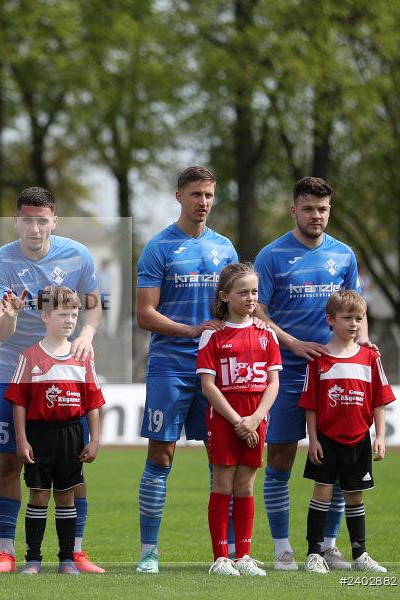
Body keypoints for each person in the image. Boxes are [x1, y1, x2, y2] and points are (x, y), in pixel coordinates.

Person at [0, 187, 104, 573]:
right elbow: (1, 332)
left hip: (67, 371)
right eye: (27, 220)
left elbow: (93, 307)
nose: (34, 228)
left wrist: (86, 336)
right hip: (16, 373)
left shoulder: (77, 255)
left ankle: (76, 551)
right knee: (8, 462)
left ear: (54, 221)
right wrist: (13, 314)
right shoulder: (1, 261)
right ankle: (6, 550)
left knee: (74, 466)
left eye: (42, 220)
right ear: (16, 221)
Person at [254, 177, 368, 570]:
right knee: (281, 457)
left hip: (335, 374)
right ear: (294, 211)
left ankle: (328, 544)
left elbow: (357, 308)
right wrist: (291, 343)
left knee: (337, 460)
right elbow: (258, 311)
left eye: (322, 209)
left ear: (329, 210)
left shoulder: (345, 255)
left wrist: (363, 348)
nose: (315, 215)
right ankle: (282, 547)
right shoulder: (271, 256)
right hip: (285, 370)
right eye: (308, 209)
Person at [134, 166, 238, 574]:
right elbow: (145, 314)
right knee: (161, 456)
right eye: (196, 194)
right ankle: (148, 552)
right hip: (170, 365)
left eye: (209, 194)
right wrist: (192, 330)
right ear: (179, 197)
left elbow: (239, 307)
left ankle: (226, 553)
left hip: (216, 369)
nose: (204, 202)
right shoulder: (159, 247)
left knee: (223, 459)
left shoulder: (225, 249)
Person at [7, 285, 103, 576]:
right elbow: (19, 402)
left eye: (74, 314)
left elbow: (93, 402)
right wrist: (22, 439)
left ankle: (66, 559)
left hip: (72, 434)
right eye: (63, 314)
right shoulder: (30, 356)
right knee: (38, 495)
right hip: (39, 434)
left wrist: (95, 439)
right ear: (45, 316)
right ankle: (33, 559)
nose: (70, 320)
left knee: (66, 497)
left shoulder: (82, 356)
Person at [195, 263, 281, 576]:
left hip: (256, 419)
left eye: (254, 292)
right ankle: (220, 558)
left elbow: (273, 383)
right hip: (224, 418)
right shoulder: (212, 336)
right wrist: (238, 422)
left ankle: (243, 555)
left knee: (245, 487)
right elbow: (208, 386)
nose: (250, 298)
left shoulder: (266, 334)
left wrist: (256, 417)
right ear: (225, 296)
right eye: (243, 292)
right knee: (222, 484)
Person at [299, 291, 393, 574]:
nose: (354, 324)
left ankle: (360, 553)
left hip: (359, 439)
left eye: (359, 318)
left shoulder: (370, 357)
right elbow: (311, 406)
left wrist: (380, 436)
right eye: (347, 318)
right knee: (322, 493)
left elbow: (379, 401)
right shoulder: (318, 359)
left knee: (355, 496)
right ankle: (314, 553)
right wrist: (313, 439)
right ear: (330, 319)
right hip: (326, 440)